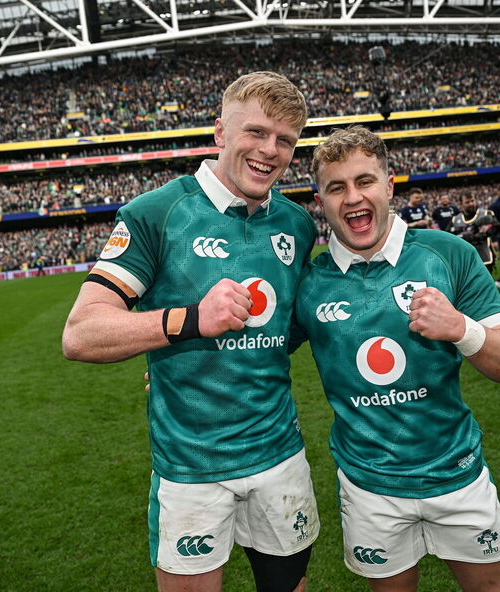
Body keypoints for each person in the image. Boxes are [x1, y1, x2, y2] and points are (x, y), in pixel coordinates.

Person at [62, 72, 319, 592]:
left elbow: (285, 327)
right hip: (191, 467)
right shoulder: (156, 213)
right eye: (256, 132)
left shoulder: (297, 224)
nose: (270, 150)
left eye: (285, 140)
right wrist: (187, 323)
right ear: (220, 132)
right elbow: (81, 333)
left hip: (280, 456)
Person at [292, 125, 500, 592]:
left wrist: (461, 328)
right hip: (368, 487)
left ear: (389, 185)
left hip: (457, 473)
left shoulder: (449, 254)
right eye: (336, 188)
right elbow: (254, 351)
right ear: (320, 202)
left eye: (364, 181)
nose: (352, 198)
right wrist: (178, 365)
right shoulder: (309, 281)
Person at [450, 192, 499, 272]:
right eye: (467, 202)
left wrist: (482, 235)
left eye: (472, 201)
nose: (471, 204)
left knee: (485, 284)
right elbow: (449, 238)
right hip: (465, 262)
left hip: (484, 259)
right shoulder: (455, 219)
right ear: (460, 203)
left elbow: (496, 227)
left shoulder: (486, 214)